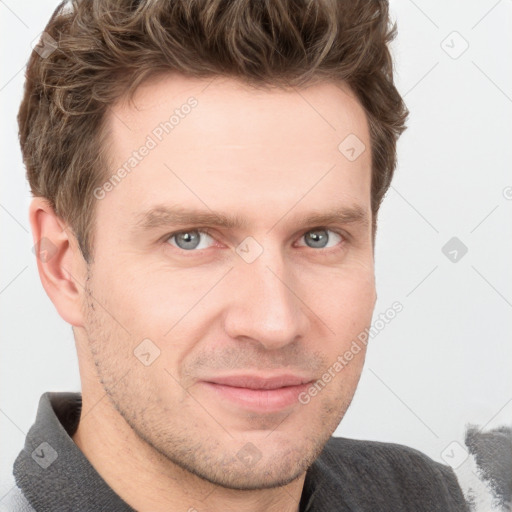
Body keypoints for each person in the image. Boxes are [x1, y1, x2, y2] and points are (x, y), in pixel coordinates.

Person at [7, 0, 469, 510]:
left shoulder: (434, 496)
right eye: (192, 239)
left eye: (319, 237)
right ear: (62, 265)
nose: (274, 323)